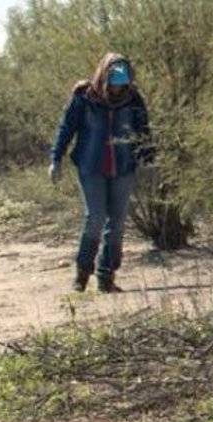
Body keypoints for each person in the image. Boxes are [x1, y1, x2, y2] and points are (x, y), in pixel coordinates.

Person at [50, 53, 153, 293]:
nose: (119, 86)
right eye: (115, 78)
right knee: (95, 218)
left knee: (116, 223)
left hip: (123, 167)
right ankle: (82, 274)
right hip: (91, 166)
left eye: (123, 79)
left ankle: (106, 277)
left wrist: (149, 159)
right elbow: (66, 128)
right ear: (104, 74)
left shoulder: (133, 99)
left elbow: (143, 130)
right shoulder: (85, 97)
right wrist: (56, 158)